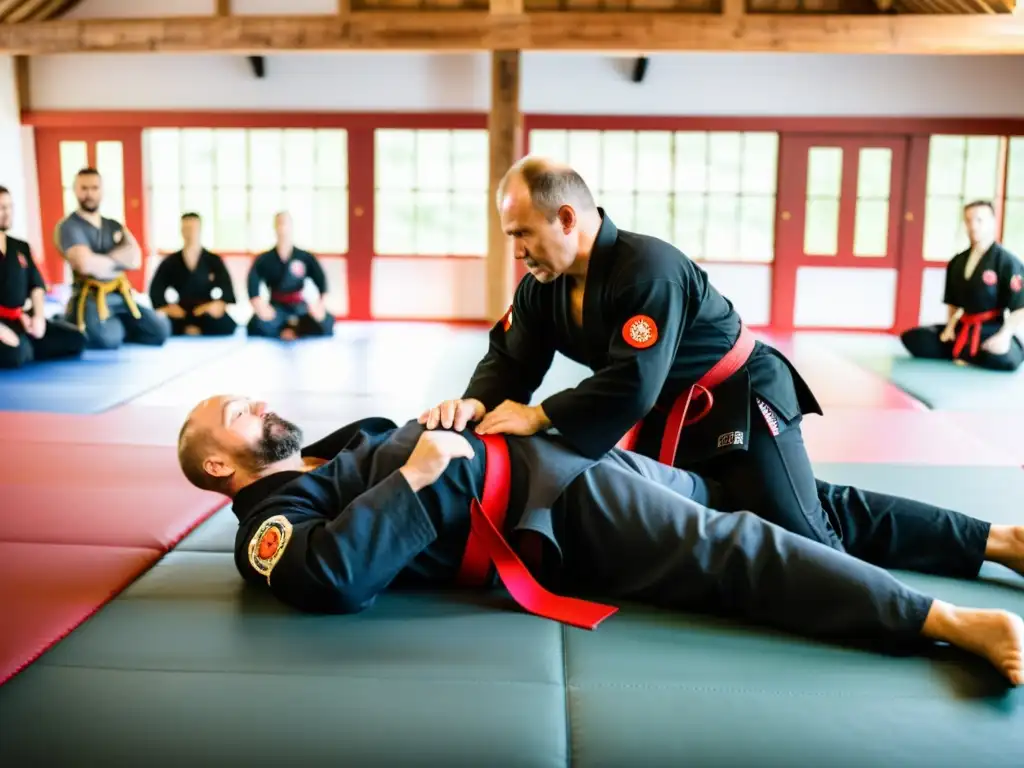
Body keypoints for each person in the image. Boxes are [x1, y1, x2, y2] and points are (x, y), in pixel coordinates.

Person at [176, 394, 1024, 686]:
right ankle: (948, 620)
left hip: (571, 461)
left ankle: (994, 541)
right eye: (235, 413)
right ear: (219, 463)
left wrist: (452, 416)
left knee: (795, 500)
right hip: (560, 515)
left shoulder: (327, 450)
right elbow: (329, 580)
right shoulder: (268, 527)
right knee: (738, 547)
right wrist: (418, 473)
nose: (256, 403)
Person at [422, 156, 959, 556]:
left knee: (802, 538)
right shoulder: (543, 285)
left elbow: (632, 382)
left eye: (522, 234)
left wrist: (540, 415)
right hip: (667, 413)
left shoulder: (647, 269)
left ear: (566, 218)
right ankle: (993, 541)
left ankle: (916, 600)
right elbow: (512, 359)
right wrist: (474, 405)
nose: (516, 252)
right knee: (723, 512)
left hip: (742, 400)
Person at [901, 200, 1024, 371]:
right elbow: (953, 303)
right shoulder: (957, 261)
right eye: (969, 220)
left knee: (1004, 359)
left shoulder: (1007, 262)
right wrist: (950, 328)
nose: (973, 226)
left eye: (980, 220)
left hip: (991, 329)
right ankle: (967, 351)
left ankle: (973, 351)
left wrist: (1005, 335)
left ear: (992, 222)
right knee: (913, 339)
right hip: (963, 326)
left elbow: (1020, 307)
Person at [57, 167, 171, 350]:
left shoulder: (113, 225)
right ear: (76, 191)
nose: (89, 194)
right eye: (84, 188)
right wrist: (118, 261)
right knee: (107, 340)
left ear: (101, 190)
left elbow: (135, 259)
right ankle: (67, 319)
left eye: (94, 188)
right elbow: (85, 264)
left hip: (119, 295)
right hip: (90, 298)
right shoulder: (69, 226)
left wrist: (100, 261)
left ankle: (119, 324)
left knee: (160, 331)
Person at [0, 186, 85, 368]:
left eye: (9, 207)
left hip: (22, 319)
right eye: (1, 208)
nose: (7, 213)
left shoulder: (20, 246)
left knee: (76, 339)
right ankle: (24, 348)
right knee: (13, 354)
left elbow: (36, 285)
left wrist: (38, 317)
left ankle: (27, 346)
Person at [246, 212, 334, 340]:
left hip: (299, 307)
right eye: (279, 224)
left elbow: (322, 281)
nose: (283, 228)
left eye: (285, 223)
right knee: (256, 325)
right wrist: (260, 306)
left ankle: (293, 330)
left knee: (325, 323)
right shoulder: (264, 259)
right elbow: (252, 283)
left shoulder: (304, 257)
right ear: (275, 227)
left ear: (292, 227)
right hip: (276, 308)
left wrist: (319, 305)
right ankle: (286, 330)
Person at [149, 212, 238, 337]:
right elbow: (156, 290)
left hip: (205, 309)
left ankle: (195, 329)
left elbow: (227, 290)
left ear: (200, 230)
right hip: (181, 311)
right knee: (159, 326)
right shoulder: (171, 262)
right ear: (181, 230)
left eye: (193, 228)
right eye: (186, 228)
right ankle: (188, 329)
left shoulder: (213, 260)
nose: (189, 233)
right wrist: (167, 308)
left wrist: (218, 305)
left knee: (227, 325)